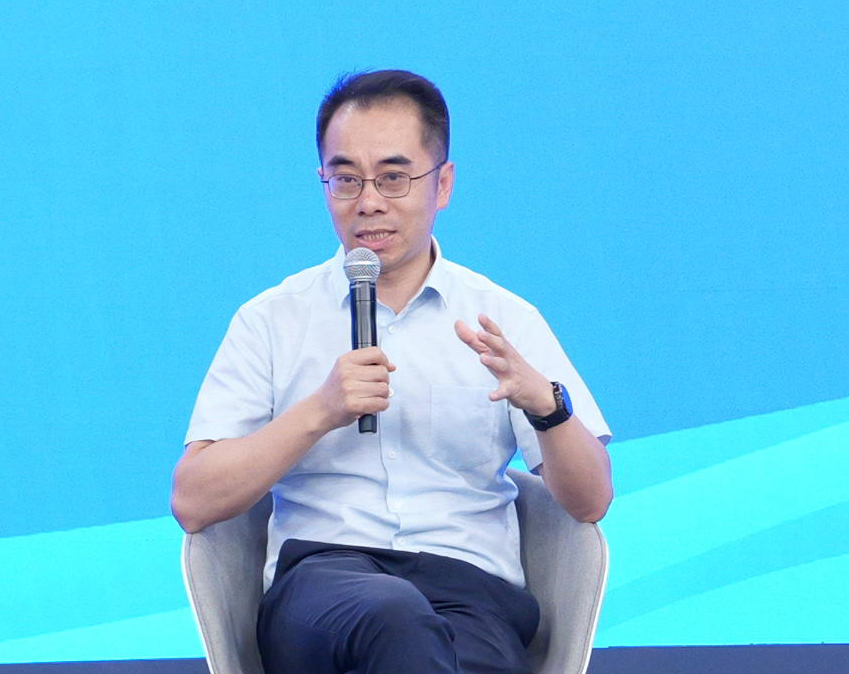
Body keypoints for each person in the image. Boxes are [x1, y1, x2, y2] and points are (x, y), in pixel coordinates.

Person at [171, 69, 613, 674]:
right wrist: (320, 411)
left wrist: (546, 406)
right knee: (394, 615)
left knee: (438, 643)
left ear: (443, 184)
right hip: (322, 585)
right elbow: (193, 502)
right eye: (345, 179)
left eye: (393, 178)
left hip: (471, 592)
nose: (368, 202)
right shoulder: (272, 320)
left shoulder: (505, 319)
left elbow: (590, 503)